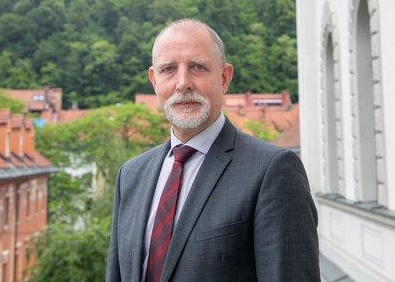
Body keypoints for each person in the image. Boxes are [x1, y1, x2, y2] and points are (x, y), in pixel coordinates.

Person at [106, 19, 319, 282]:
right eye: (169, 69)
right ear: (154, 80)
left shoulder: (272, 171)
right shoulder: (131, 176)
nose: (183, 83)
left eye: (197, 67)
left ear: (224, 77)